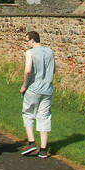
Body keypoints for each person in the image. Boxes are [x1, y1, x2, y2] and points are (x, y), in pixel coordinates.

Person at [20, 30, 54, 158]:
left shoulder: (30, 52)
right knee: (44, 116)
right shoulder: (50, 51)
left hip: (34, 88)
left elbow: (28, 70)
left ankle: (32, 142)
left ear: (32, 40)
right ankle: (43, 149)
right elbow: (53, 70)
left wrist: (24, 86)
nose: (27, 43)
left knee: (28, 113)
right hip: (48, 89)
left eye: (27, 40)